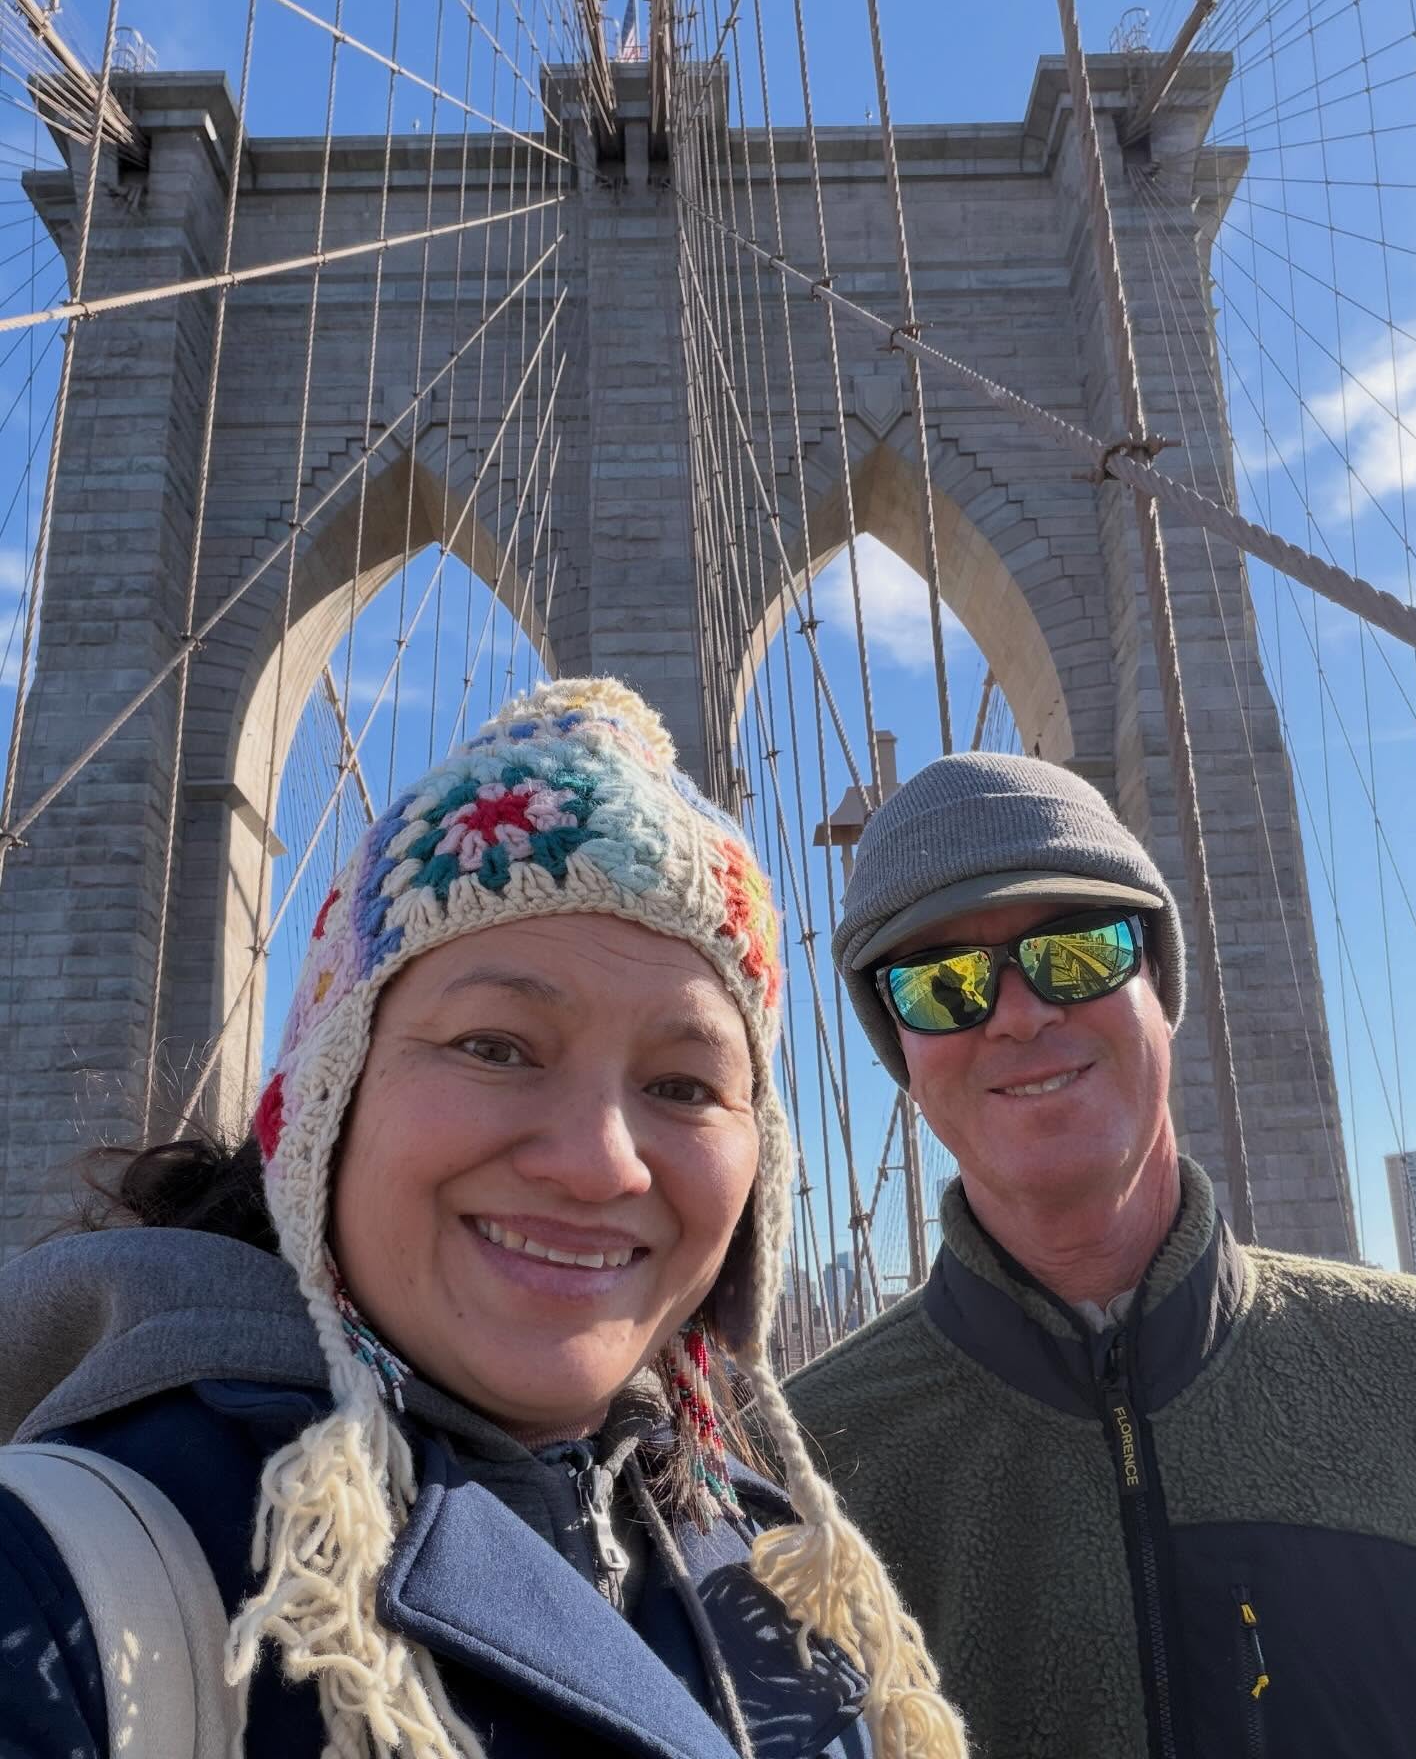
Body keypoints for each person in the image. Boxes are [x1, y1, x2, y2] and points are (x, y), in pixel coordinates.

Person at [0, 679, 971, 1759]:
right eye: (495, 1048)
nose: (601, 1162)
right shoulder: (54, 1590)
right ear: (330, 1097)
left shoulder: (773, 1568)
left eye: (686, 1085)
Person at [786, 750, 1416, 1759]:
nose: (1018, 1013)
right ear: (900, 1054)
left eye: (1077, 950)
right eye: (942, 982)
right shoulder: (794, 1481)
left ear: (1159, 980)